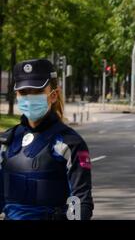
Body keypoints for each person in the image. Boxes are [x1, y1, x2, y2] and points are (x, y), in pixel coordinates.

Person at [0, 59, 93, 220]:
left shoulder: (70, 143)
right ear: (16, 95)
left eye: (36, 92)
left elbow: (80, 202)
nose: (29, 98)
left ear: (53, 95)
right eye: (23, 92)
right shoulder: (6, 141)